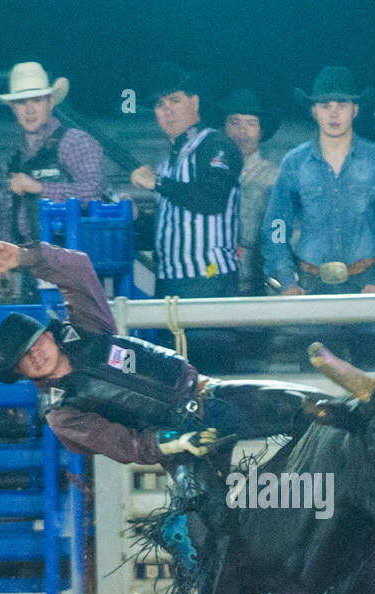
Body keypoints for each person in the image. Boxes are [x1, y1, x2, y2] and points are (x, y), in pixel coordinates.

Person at [0, 238, 323, 594]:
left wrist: (26, 256)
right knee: (209, 543)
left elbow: (77, 268)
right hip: (176, 441)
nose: (36, 355)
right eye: (25, 357)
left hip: (206, 394)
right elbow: (124, 443)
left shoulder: (87, 328)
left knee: (312, 410)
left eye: (36, 343)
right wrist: (177, 441)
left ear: (48, 334)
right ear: (19, 372)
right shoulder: (62, 413)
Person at [263, 66, 375, 368]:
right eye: (325, 105)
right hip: (312, 283)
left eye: (341, 104)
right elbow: (275, 227)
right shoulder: (295, 162)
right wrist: (288, 282)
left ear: (355, 109)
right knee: (317, 389)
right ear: (313, 111)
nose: (333, 113)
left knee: (373, 384)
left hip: (366, 281)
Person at [129, 63, 242, 372]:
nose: (167, 110)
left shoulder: (217, 145)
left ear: (195, 102)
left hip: (209, 279)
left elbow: (212, 199)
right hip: (168, 284)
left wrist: (158, 185)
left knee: (212, 377)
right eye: (160, 104)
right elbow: (174, 227)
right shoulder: (167, 163)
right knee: (174, 380)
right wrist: (139, 219)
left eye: (175, 100)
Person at [0, 61, 104, 271]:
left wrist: (39, 188)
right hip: (32, 268)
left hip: (74, 268)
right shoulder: (15, 160)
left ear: (50, 103)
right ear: (13, 109)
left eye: (36, 100)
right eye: (21, 102)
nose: (29, 110)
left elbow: (93, 194)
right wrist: (4, 263)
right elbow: (10, 215)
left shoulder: (74, 142)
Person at [218, 88, 279, 296]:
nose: (241, 131)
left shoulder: (275, 179)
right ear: (224, 128)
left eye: (250, 124)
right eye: (234, 122)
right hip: (211, 282)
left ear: (261, 131)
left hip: (258, 286)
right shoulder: (209, 176)